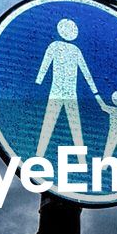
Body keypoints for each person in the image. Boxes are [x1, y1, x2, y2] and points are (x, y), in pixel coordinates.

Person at [34, 18, 101, 157]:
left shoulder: (74, 50)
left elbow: (85, 71)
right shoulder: (55, 46)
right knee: (53, 122)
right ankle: (39, 155)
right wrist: (38, 81)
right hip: (59, 91)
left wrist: (95, 91)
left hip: (68, 92)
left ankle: (80, 159)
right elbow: (45, 63)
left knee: (72, 124)